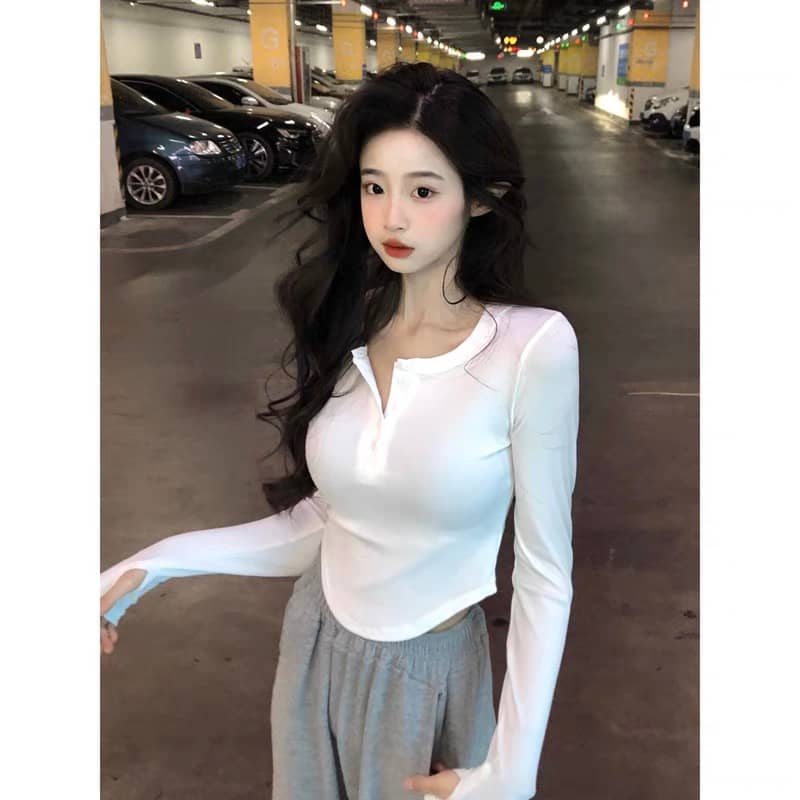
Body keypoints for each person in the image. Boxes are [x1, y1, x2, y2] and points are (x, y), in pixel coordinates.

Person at [100, 61, 580, 800]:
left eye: (423, 191)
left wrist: (512, 771)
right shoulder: (351, 323)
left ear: (481, 199)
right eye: (373, 186)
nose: (392, 218)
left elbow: (544, 575)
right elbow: (327, 525)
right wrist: (148, 565)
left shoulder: (531, 347)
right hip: (316, 645)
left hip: (427, 675)